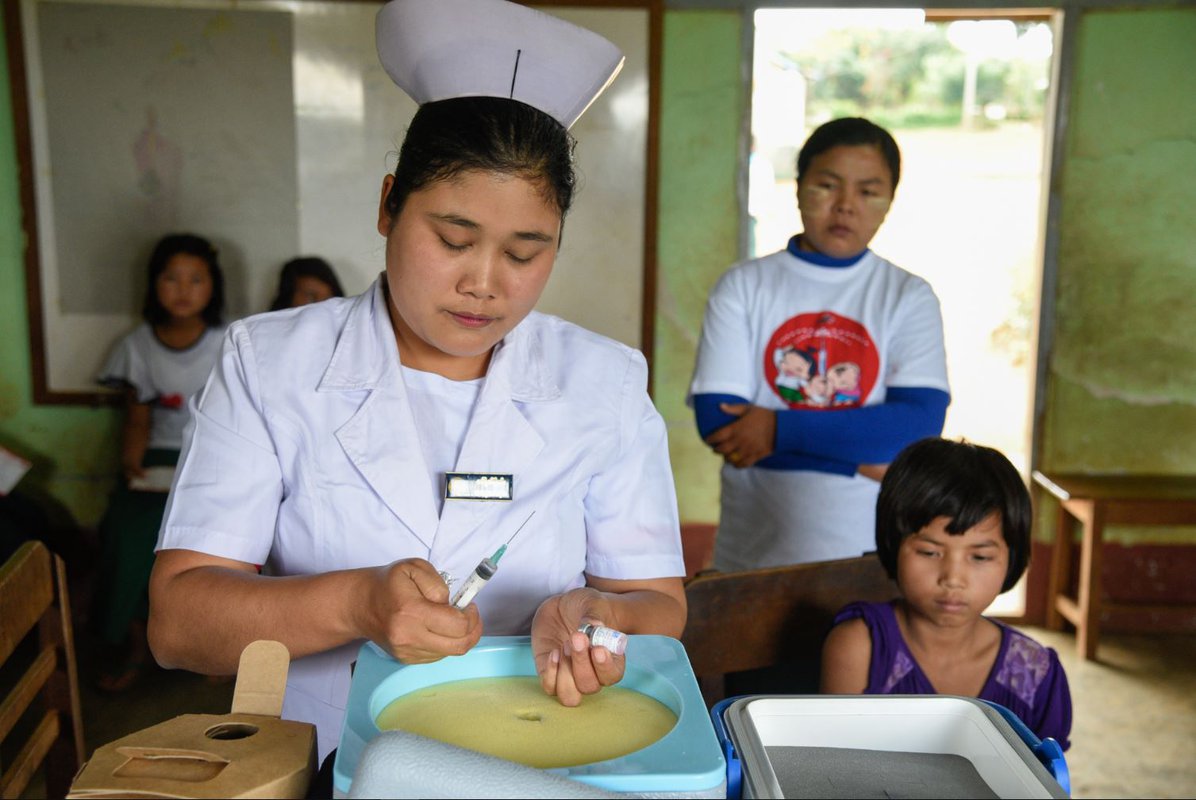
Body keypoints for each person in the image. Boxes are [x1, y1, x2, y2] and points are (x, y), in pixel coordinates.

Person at [146, 0, 686, 763]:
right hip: (327, 755)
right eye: (453, 239)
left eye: (526, 253)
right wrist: (357, 602)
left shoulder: (603, 384)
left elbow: (661, 606)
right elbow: (177, 625)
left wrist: (599, 613)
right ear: (387, 205)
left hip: (542, 753)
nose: (485, 283)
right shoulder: (270, 366)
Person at [687, 117, 951, 571]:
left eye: (868, 191)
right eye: (827, 186)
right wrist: (856, 461)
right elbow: (719, 422)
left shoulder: (908, 296)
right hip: (751, 557)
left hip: (868, 558)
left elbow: (916, 425)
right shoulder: (744, 286)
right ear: (798, 187)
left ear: (889, 201)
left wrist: (776, 429)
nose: (846, 206)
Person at [821, 437, 1072, 750]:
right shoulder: (862, 648)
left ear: (1013, 558)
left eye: (979, 557)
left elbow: (1045, 782)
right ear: (893, 545)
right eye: (929, 552)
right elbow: (833, 769)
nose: (953, 579)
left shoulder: (1035, 673)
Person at [94, 232, 226, 692]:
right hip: (155, 463)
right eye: (172, 279)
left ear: (213, 287)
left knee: (215, 540)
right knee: (126, 536)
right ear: (154, 285)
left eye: (196, 279)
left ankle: (210, 646)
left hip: (213, 459)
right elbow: (136, 421)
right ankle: (135, 645)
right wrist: (132, 465)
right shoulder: (138, 346)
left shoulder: (229, 341)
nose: (184, 290)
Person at [268, 256, 345, 311]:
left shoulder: (344, 330)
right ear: (288, 297)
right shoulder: (267, 330)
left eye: (328, 301)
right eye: (312, 298)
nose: (322, 307)